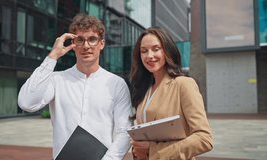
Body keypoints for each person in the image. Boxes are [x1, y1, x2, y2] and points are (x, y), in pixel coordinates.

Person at [18, 13, 132, 160]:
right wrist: (52, 56)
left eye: (92, 39)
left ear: (101, 43)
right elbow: (26, 103)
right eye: (80, 40)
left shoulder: (116, 84)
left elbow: (124, 131)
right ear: (73, 44)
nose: (86, 46)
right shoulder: (56, 80)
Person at [129, 26, 213, 160]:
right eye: (144, 51)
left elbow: (204, 138)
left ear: (167, 50)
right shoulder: (144, 89)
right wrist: (137, 149)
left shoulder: (183, 84)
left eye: (156, 49)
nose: (149, 55)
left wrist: (153, 151)